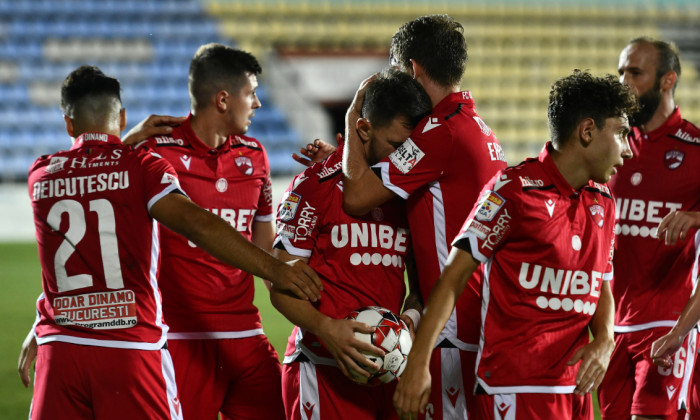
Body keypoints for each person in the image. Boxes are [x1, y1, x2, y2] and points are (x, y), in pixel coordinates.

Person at [25, 65, 320, 420]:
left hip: (60, 349)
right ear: (121, 118)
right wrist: (274, 266)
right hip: (131, 348)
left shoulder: (41, 175)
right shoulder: (143, 167)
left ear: (68, 124)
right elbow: (195, 222)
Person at [394, 69, 637, 420]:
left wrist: (604, 338)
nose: (628, 150)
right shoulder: (514, 191)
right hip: (515, 390)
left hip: (576, 390)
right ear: (587, 131)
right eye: (622, 134)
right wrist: (419, 362)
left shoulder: (603, 201)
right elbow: (454, 276)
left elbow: (600, 282)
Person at [339, 14, 509, 419]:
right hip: (480, 320)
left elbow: (357, 197)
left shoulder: (439, 132)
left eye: (398, 71)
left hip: (450, 329)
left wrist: (350, 120)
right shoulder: (479, 128)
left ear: (412, 69)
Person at [270, 69, 432, 419]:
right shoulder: (314, 187)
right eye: (395, 147)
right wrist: (327, 329)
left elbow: (422, 285)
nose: (402, 160)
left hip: (389, 371)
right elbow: (278, 284)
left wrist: (408, 322)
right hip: (322, 370)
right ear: (363, 129)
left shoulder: (408, 194)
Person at [597, 37, 700, 420]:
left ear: (667, 80)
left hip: (667, 322)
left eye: (635, 73)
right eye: (621, 70)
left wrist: (696, 217)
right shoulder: (611, 150)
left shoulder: (695, 149)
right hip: (613, 326)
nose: (623, 81)